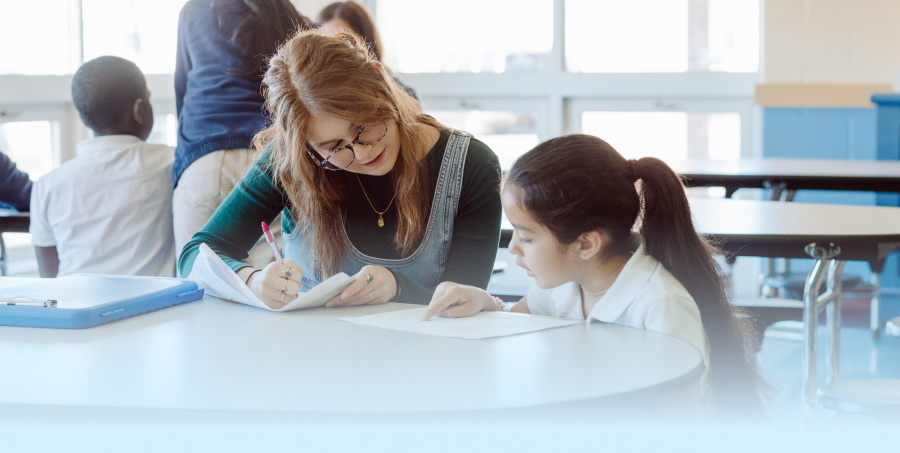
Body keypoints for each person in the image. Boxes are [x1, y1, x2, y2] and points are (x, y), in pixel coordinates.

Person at [422, 134, 767, 417]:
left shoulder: (660, 304)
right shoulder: (563, 284)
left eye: (526, 237)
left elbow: (677, 414)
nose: (513, 248)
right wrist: (485, 302)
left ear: (586, 244)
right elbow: (513, 327)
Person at [179, 30, 502, 309]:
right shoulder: (291, 161)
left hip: (422, 365)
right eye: (334, 147)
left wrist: (397, 287)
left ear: (380, 79)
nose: (361, 152)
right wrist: (250, 279)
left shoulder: (471, 166)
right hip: (313, 360)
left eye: (364, 127)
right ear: (306, 147)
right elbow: (194, 255)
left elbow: (466, 299)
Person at [173, 0, 314, 269]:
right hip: (270, 160)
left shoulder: (196, 11)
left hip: (205, 158)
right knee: (275, 288)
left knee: (198, 281)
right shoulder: (300, 24)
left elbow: (183, 93)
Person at [29, 56, 175, 278]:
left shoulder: (46, 186)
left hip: (76, 308)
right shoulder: (171, 163)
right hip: (154, 310)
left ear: (83, 118)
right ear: (140, 108)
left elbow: (49, 280)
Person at [317, 1, 418, 100]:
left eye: (344, 40)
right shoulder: (314, 94)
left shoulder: (404, 96)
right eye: (327, 42)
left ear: (368, 42)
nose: (335, 50)